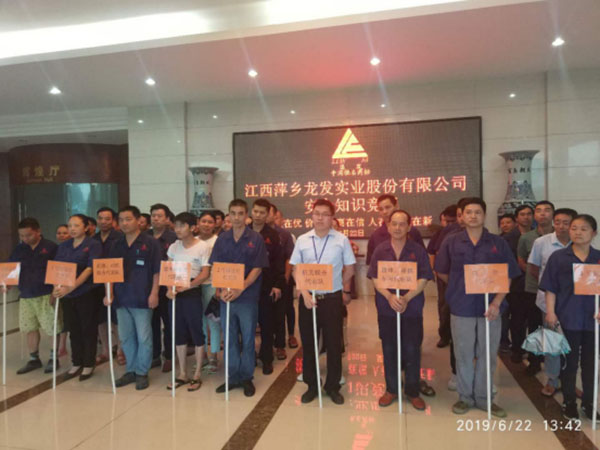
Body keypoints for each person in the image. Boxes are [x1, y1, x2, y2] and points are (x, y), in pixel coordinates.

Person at [434, 197, 519, 418]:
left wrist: (497, 302)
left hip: (491, 307)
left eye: (477, 212)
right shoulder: (451, 242)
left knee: (487, 354)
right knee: (463, 354)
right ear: (462, 216)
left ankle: (484, 397)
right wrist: (458, 286)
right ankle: (465, 397)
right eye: (468, 212)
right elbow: (441, 271)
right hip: (461, 306)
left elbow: (508, 275)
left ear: (484, 215)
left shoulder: (497, 243)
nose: (473, 216)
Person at [290, 199, 356, 405]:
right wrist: (303, 292)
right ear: (312, 216)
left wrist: (338, 285)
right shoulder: (302, 240)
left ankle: (333, 386)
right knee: (309, 343)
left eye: (325, 214)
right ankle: (312, 385)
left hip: (332, 299)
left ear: (332, 217)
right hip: (308, 298)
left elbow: (350, 268)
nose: (320, 218)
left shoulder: (341, 240)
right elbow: (295, 269)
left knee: (334, 343)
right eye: (316, 213)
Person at [368, 209, 434, 410]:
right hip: (387, 309)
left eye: (402, 224)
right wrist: (389, 296)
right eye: (394, 224)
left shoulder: (417, 250)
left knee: (412, 348)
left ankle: (412, 391)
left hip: (411, 308)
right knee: (389, 348)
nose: (397, 228)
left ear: (409, 227)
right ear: (388, 226)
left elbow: (424, 277)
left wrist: (406, 297)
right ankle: (391, 389)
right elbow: (375, 277)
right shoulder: (380, 250)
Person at [541, 214, 600, 421]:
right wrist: (550, 312)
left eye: (584, 229)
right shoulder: (558, 258)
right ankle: (569, 402)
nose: (578, 232)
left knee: (591, 363)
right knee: (569, 363)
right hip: (568, 317)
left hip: (593, 319)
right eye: (574, 228)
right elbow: (550, 288)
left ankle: (589, 403)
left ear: (594, 233)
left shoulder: (598, 258)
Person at [209, 199, 269, 397]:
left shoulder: (256, 238)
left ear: (246, 216)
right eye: (233, 213)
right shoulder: (222, 239)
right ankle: (232, 376)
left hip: (247, 297)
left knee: (249, 337)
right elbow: (217, 266)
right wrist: (220, 290)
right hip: (227, 297)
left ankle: (246, 377)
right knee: (230, 337)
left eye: (240, 213)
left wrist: (240, 288)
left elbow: (258, 268)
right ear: (229, 215)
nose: (236, 217)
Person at [108, 205, 161, 390]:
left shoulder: (150, 243)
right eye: (121, 220)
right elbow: (110, 271)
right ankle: (131, 370)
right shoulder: (116, 244)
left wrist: (154, 293)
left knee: (144, 337)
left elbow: (157, 271)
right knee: (126, 337)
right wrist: (109, 292)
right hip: (121, 298)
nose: (124, 223)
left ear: (138, 221)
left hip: (143, 297)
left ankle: (142, 372)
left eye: (128, 219)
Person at [528, 208, 577, 397]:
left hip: (575, 303)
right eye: (558, 222)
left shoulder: (580, 242)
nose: (561, 226)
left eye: (567, 223)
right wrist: (550, 287)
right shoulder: (541, 242)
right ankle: (552, 379)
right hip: (549, 303)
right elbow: (534, 269)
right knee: (552, 342)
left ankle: (570, 381)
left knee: (573, 343)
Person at [165, 212, 211, 391]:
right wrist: (168, 289)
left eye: (182, 226)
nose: (177, 229)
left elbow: (205, 273)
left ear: (193, 228)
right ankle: (182, 373)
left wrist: (189, 286)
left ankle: (197, 373)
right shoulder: (174, 246)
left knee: (196, 331)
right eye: (176, 226)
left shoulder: (202, 247)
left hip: (192, 291)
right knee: (178, 332)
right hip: (175, 292)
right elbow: (168, 269)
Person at [7, 218, 59, 374]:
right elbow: (11, 268)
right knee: (29, 327)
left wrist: (55, 291)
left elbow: (59, 270)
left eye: (28, 235)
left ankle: (53, 358)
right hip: (26, 295)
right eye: (22, 236)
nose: (25, 238)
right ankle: (33, 359)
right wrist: (6, 284)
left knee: (51, 328)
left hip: (46, 294)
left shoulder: (51, 247)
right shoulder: (20, 249)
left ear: (38, 231)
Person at [53, 214, 102, 380]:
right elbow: (57, 268)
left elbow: (90, 269)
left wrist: (71, 287)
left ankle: (88, 364)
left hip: (86, 292)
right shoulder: (64, 246)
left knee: (88, 328)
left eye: (76, 225)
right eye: (70, 226)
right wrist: (56, 287)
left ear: (86, 227)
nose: (72, 229)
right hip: (67, 294)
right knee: (73, 329)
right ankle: (76, 362)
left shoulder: (93, 245)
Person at [515, 201, 554, 374]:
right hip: (533, 288)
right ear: (535, 215)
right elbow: (522, 261)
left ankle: (554, 361)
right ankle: (534, 360)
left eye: (547, 210)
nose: (543, 214)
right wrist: (542, 278)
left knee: (554, 326)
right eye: (539, 211)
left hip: (558, 291)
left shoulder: (563, 235)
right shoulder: (526, 238)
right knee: (535, 325)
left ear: (552, 214)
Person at [251, 199, 285, 374]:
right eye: (255, 211)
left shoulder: (272, 235)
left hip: (266, 286)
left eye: (262, 212)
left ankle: (266, 359)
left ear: (267, 215)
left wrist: (278, 285)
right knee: (247, 325)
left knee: (267, 325)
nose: (258, 215)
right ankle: (249, 356)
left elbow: (279, 261)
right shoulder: (244, 232)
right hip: (246, 287)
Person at [501, 204, 534, 363]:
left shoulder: (539, 236)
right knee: (517, 319)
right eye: (522, 214)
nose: (526, 217)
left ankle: (535, 351)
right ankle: (517, 349)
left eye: (529, 214)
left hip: (535, 284)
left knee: (534, 320)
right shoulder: (507, 239)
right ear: (516, 218)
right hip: (516, 284)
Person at [93, 207, 124, 365]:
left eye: (107, 219)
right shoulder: (93, 239)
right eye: (100, 218)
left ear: (113, 221)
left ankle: (120, 349)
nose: (103, 222)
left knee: (116, 319)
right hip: (97, 284)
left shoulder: (120, 238)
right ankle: (106, 350)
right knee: (101, 319)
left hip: (116, 284)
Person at [148, 203, 177, 372]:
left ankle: (170, 356)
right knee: (151, 323)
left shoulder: (174, 238)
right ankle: (154, 355)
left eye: (159, 216)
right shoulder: (144, 237)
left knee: (169, 323)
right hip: (149, 287)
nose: (156, 219)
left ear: (167, 219)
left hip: (168, 287)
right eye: (153, 216)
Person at [268, 204, 298, 350]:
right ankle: (274, 340)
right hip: (266, 279)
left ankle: (290, 336)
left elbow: (289, 258)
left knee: (286, 308)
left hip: (284, 278)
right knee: (271, 312)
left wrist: (285, 277)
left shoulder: (285, 235)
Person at [366, 195, 424, 265]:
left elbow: (423, 259)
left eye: (387, 207)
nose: (384, 212)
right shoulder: (375, 236)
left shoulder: (413, 232)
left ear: (396, 206)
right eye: (381, 209)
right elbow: (370, 265)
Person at [197, 211, 221, 372]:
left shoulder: (218, 241)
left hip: (212, 284)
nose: (206, 225)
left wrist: (219, 287)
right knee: (200, 323)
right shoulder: (193, 241)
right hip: (194, 286)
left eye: (210, 222)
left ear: (215, 225)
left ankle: (213, 356)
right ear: (198, 222)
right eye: (203, 221)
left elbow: (220, 265)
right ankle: (203, 355)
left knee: (213, 321)